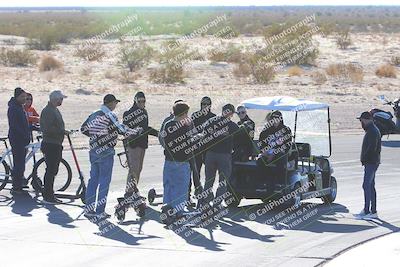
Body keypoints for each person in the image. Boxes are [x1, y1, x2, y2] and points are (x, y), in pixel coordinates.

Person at [81, 94, 132, 219]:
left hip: (93, 150)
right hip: (106, 152)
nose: (116, 105)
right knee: (104, 181)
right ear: (109, 103)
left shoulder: (94, 114)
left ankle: (89, 209)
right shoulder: (110, 115)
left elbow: (83, 129)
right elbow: (120, 129)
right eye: (115, 103)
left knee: (93, 180)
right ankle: (100, 211)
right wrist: (133, 132)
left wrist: (95, 137)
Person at [202, 104, 239, 206]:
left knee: (209, 180)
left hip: (210, 154)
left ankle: (205, 202)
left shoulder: (210, 122)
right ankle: (217, 204)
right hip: (224, 156)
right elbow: (239, 139)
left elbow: (204, 137)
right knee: (223, 181)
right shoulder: (232, 126)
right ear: (231, 113)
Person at [163, 102, 196, 215]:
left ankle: (167, 209)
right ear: (184, 113)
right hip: (181, 161)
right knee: (181, 189)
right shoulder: (185, 127)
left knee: (169, 187)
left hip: (168, 161)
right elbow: (188, 144)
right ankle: (178, 213)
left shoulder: (167, 124)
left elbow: (164, 140)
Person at [123, 92, 158, 194]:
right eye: (139, 101)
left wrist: (158, 133)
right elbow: (125, 130)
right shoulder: (128, 113)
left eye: (143, 101)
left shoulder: (144, 112)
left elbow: (145, 128)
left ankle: (134, 189)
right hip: (133, 145)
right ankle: (129, 192)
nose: (142, 103)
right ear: (135, 101)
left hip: (143, 144)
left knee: (139, 169)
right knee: (133, 169)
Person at [40, 90, 68, 204]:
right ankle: (48, 196)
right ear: (54, 99)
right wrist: (62, 131)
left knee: (53, 170)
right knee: (51, 170)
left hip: (56, 143)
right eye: (60, 99)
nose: (61, 101)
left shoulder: (54, 110)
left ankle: (49, 193)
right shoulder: (48, 111)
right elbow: (47, 128)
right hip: (50, 143)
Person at [257, 111, 292, 191]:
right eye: (273, 118)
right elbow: (261, 145)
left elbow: (287, 145)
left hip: (280, 153)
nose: (275, 120)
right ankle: (262, 183)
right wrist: (266, 154)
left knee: (280, 159)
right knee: (260, 161)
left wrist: (273, 154)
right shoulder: (265, 131)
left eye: (277, 118)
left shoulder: (286, 130)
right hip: (267, 153)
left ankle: (280, 183)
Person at [356, 111, 381, 219]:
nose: (361, 123)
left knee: (366, 185)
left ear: (366, 120)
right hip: (371, 162)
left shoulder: (372, 131)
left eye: (361, 120)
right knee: (370, 185)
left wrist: (365, 158)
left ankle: (368, 211)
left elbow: (372, 148)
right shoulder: (371, 130)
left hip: (371, 162)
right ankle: (371, 210)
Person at [190, 97, 216, 197]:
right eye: (203, 104)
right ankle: (197, 189)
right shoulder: (195, 115)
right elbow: (191, 130)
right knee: (196, 169)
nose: (205, 106)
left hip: (209, 147)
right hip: (197, 146)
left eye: (207, 104)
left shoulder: (213, 117)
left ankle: (207, 190)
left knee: (210, 171)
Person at [7, 87, 30, 194]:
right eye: (22, 97)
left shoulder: (19, 107)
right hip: (17, 139)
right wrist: (24, 135)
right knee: (19, 163)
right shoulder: (13, 108)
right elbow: (14, 125)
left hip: (22, 139)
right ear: (16, 97)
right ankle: (16, 186)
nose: (24, 99)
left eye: (25, 97)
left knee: (21, 163)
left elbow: (24, 123)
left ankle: (19, 182)